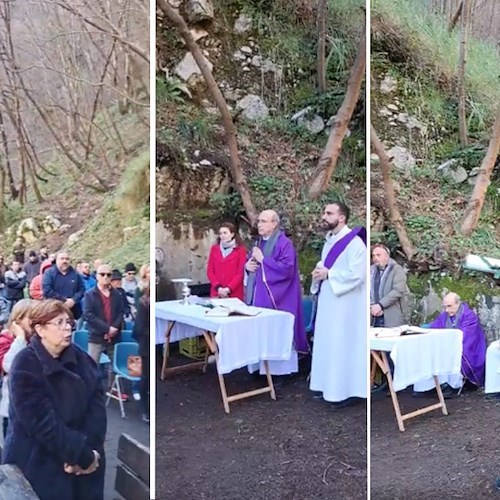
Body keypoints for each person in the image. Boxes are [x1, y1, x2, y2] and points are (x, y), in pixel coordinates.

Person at [2, 299, 106, 499]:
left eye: (69, 322)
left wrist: (89, 452)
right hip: (39, 460)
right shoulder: (25, 363)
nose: (67, 328)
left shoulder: (82, 359)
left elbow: (97, 408)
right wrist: (78, 454)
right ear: (40, 329)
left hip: (86, 461)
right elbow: (42, 423)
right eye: (59, 323)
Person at [309, 202, 367, 407]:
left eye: (329, 213)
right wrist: (318, 275)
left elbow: (357, 275)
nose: (324, 216)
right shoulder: (330, 240)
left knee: (342, 345)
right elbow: (324, 266)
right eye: (324, 212)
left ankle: (345, 391)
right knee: (326, 343)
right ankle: (325, 385)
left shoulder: (355, 244)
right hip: (329, 301)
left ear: (342, 218)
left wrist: (329, 274)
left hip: (346, 306)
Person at [244, 210, 308, 373]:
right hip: (258, 298)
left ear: (274, 224)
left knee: (276, 334)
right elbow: (252, 265)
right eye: (259, 221)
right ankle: (260, 369)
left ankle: (280, 372)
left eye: (264, 221)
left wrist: (263, 261)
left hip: (278, 299)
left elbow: (287, 270)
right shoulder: (259, 243)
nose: (260, 225)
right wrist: (247, 267)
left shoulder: (284, 243)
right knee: (260, 334)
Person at [424, 292, 486, 396]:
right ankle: (434, 385)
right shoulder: (444, 315)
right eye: (445, 307)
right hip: (447, 344)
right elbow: (434, 328)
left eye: (450, 306)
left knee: (452, 353)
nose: (447, 310)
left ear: (458, 304)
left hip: (469, 349)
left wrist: (446, 342)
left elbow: (466, 337)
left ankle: (453, 385)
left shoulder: (469, 316)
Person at [0, 299, 34, 438]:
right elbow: (8, 365)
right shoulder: (6, 339)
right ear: (18, 320)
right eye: (30, 317)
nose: (34, 321)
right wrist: (20, 338)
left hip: (32, 406)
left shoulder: (35, 338)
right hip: (12, 408)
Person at [83, 264, 124, 365]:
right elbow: (88, 315)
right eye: (102, 274)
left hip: (114, 337)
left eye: (108, 275)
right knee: (92, 367)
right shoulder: (89, 295)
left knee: (116, 365)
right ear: (97, 276)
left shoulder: (117, 294)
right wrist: (107, 329)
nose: (105, 277)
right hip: (96, 337)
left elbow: (120, 312)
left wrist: (114, 328)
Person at [370, 244, 408, 327]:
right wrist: (371, 306)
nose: (375, 258)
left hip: (391, 315)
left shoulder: (397, 270)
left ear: (387, 256)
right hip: (373, 316)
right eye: (373, 256)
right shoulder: (371, 271)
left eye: (378, 255)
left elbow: (398, 290)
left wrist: (380, 305)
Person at [207, 223, 247, 301]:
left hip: (234, 292)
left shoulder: (241, 250)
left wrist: (228, 289)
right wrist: (218, 287)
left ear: (232, 234)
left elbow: (241, 273)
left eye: (225, 233)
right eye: (220, 233)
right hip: (217, 291)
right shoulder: (214, 249)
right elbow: (210, 271)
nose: (222, 235)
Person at [42, 251, 85, 320]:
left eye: (67, 259)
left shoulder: (75, 274)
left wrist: (74, 300)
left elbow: (82, 289)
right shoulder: (49, 273)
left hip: (73, 312)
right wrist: (63, 301)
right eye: (62, 259)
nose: (65, 261)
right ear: (56, 260)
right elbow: (47, 290)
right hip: (54, 310)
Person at [133, 284, 150, 423]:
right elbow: (140, 327)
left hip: (151, 343)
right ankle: (145, 409)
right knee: (145, 378)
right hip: (145, 345)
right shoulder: (144, 303)